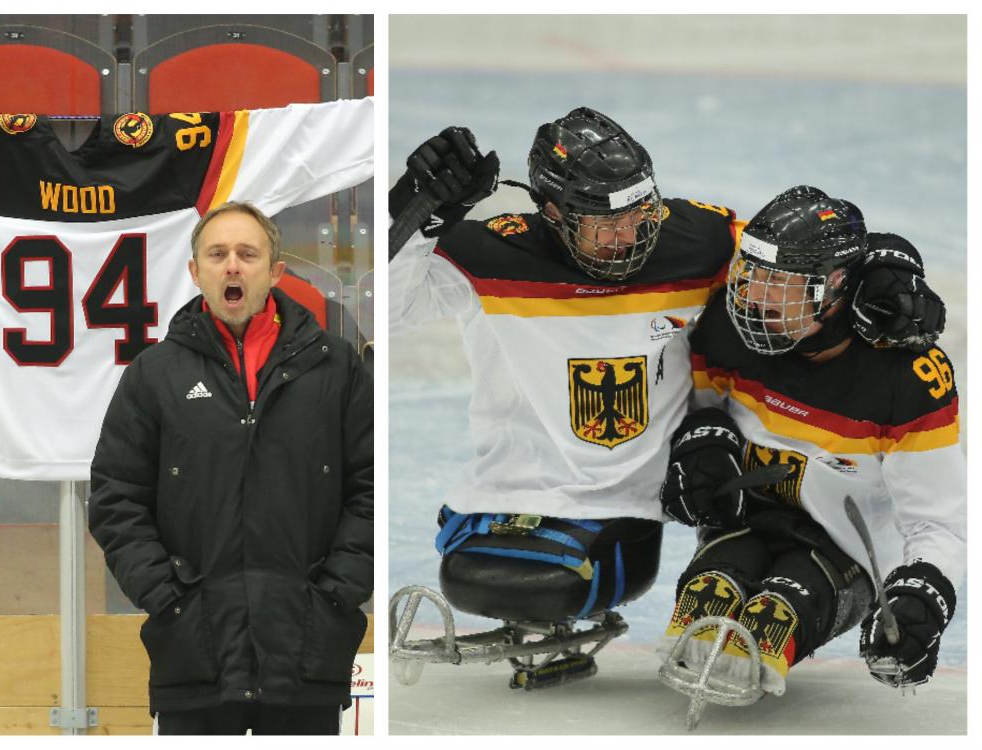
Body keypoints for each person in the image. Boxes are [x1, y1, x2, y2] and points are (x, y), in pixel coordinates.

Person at [388, 110, 945, 656]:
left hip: (632, 496)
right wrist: (417, 212)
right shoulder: (491, 251)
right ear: (553, 212)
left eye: (642, 213)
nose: (631, 236)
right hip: (505, 490)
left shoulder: (697, 239)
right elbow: (385, 312)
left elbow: (808, 249)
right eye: (607, 225)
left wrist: (892, 263)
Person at [657, 186, 963, 699]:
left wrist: (925, 595)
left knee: (780, 609)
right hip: (745, 523)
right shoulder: (726, 327)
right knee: (710, 588)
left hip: (843, 551)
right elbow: (693, 413)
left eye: (779, 284)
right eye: (752, 276)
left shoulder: (906, 376)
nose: (753, 298)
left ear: (836, 287)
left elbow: (942, 520)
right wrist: (699, 441)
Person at [88, 201, 373, 735]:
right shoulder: (155, 374)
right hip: (194, 654)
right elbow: (114, 497)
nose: (233, 266)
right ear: (195, 272)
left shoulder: (336, 367)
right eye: (217, 254)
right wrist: (169, 600)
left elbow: (372, 488)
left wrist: (333, 595)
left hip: (306, 652)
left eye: (248, 253)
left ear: (276, 271)